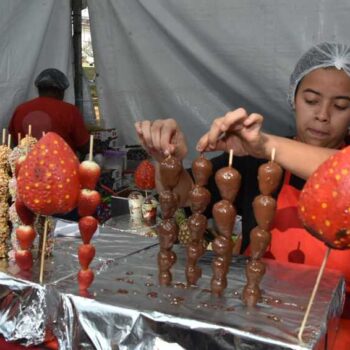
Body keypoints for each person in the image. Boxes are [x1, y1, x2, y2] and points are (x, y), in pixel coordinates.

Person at [135, 42, 350, 347]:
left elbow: (342, 173)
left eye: (341, 106)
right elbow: (185, 196)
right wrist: (167, 160)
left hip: (337, 333)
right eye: (312, 100)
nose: (323, 115)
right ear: (294, 99)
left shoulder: (262, 146)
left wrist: (265, 143)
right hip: (255, 327)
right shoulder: (254, 163)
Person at [8, 68, 90, 156]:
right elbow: (84, 146)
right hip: (60, 166)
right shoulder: (70, 111)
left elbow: (14, 141)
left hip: (26, 166)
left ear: (39, 89)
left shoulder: (20, 109)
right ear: (59, 91)